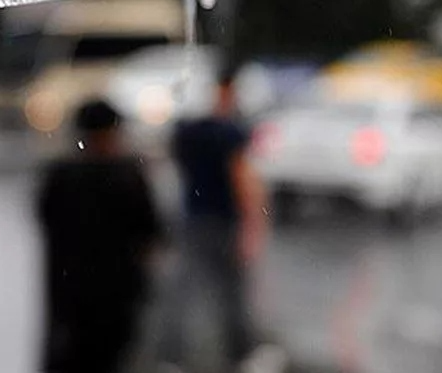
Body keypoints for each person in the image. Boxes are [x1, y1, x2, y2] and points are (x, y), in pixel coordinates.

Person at [157, 72, 284, 373]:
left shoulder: (186, 132)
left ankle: (171, 357)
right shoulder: (229, 134)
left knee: (185, 289)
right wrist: (253, 225)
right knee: (233, 293)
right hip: (224, 221)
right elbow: (242, 179)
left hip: (194, 219)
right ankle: (241, 354)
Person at [36, 99, 163, 373]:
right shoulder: (126, 176)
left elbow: (45, 221)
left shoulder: (60, 176)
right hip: (114, 300)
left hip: (69, 300)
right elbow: (151, 234)